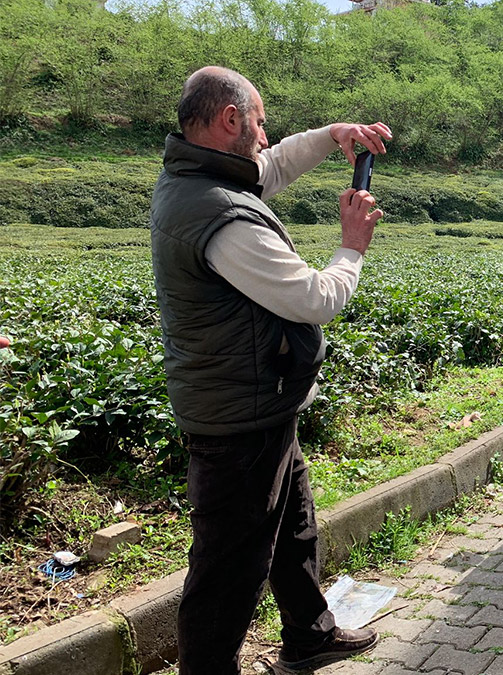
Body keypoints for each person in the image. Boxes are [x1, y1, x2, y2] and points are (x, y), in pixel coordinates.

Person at [150, 66, 391, 675]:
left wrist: (332, 135)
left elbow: (272, 166)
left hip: (261, 399)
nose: (265, 135)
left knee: (293, 528)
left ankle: (309, 635)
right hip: (238, 417)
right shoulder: (221, 216)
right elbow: (314, 299)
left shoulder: (199, 176)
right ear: (230, 118)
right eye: (259, 122)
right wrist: (352, 245)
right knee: (228, 569)